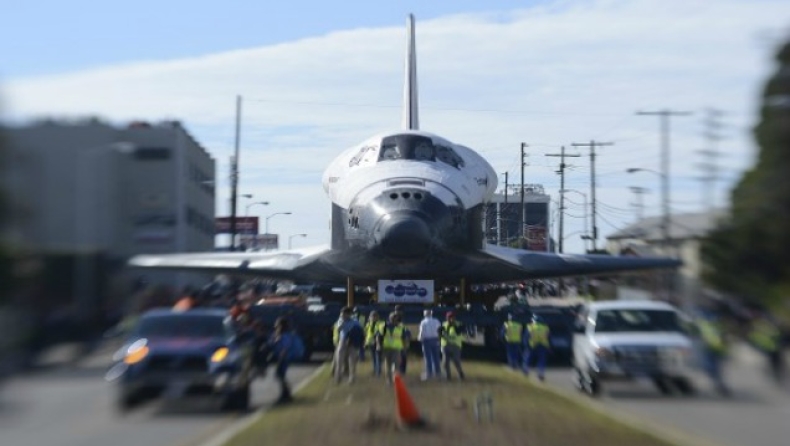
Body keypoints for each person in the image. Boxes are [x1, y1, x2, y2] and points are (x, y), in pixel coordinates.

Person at [696, 311, 730, 395]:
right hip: (710, 348)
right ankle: (719, 384)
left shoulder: (710, 324)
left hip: (714, 349)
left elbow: (723, 337)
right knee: (711, 368)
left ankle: (720, 385)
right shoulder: (706, 324)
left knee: (712, 368)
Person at [267, 317, 297, 404]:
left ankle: (286, 394)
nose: (275, 326)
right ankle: (285, 394)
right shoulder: (278, 334)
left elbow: (285, 347)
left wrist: (281, 357)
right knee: (280, 375)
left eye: (277, 324)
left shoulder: (285, 335)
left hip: (283, 358)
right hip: (281, 357)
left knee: (280, 375)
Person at [748, 313, 784, 383]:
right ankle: (776, 377)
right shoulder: (759, 327)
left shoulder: (763, 326)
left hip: (773, 348)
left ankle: (777, 376)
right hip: (769, 349)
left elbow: (775, 333)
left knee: (777, 364)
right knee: (774, 364)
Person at [334, 307, 363, 384]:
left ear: (349, 314)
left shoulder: (355, 321)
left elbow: (361, 331)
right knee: (339, 360)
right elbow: (338, 328)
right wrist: (343, 322)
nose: (342, 315)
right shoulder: (340, 320)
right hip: (343, 341)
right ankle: (338, 377)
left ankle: (352, 378)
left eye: (344, 314)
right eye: (342, 314)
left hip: (353, 343)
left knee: (352, 361)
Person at [378, 312, 408, 384]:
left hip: (396, 348)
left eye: (395, 317)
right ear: (389, 318)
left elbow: (404, 338)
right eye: (393, 317)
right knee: (388, 365)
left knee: (396, 364)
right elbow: (379, 336)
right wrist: (378, 345)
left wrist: (404, 347)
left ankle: (395, 379)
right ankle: (389, 380)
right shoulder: (383, 326)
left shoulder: (401, 327)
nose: (394, 319)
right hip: (386, 348)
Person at [438, 311, 465, 381]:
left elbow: (459, 331)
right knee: (445, 362)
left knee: (456, 361)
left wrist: (453, 325)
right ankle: (448, 376)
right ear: (447, 318)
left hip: (456, 346)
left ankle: (460, 373)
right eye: (449, 317)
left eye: (452, 317)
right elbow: (440, 333)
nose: (451, 319)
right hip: (445, 346)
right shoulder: (444, 324)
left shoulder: (459, 324)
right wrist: (440, 334)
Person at [418, 309, 442, 380]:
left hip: (427, 340)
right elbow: (440, 330)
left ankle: (429, 373)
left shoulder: (423, 322)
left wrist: (419, 338)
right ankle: (438, 373)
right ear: (431, 314)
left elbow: (421, 332)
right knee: (436, 357)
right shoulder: (436, 321)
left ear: (424, 314)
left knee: (428, 358)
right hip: (435, 339)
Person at [525, 314, 550, 381]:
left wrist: (526, 344)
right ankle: (541, 373)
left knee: (528, 358)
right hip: (543, 346)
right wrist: (549, 347)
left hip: (532, 345)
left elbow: (527, 337)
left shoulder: (530, 327)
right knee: (541, 360)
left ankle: (526, 371)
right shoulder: (546, 327)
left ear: (534, 321)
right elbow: (548, 337)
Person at [364, 311, 385, 377]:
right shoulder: (368, 324)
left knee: (378, 357)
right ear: (369, 317)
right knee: (373, 357)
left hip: (378, 342)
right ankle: (375, 369)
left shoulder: (381, 323)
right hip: (370, 342)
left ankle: (378, 371)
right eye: (372, 316)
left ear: (378, 317)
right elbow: (366, 334)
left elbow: (381, 332)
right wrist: (365, 342)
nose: (373, 318)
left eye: (375, 316)